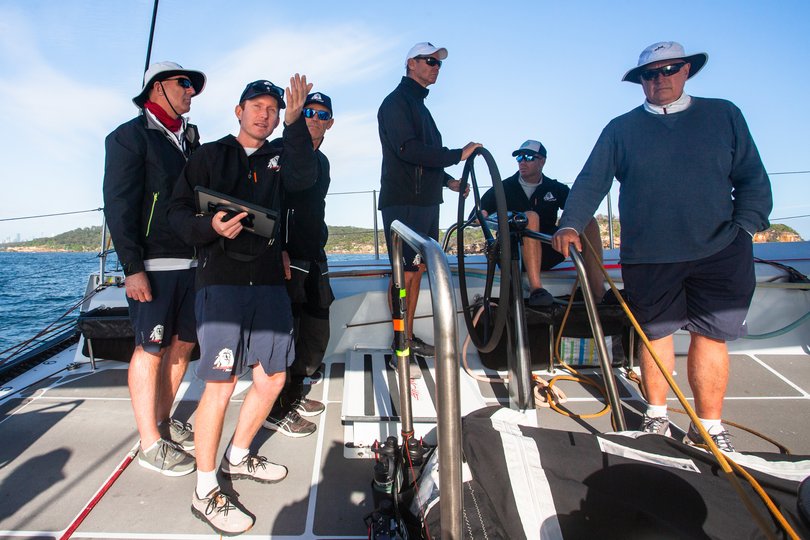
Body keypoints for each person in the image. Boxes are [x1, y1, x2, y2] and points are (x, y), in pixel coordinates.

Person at [552, 42, 772, 453]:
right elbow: (591, 181)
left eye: (669, 69)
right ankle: (656, 416)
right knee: (655, 336)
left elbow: (752, 177)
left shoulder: (724, 115)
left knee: (712, 336)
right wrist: (568, 223)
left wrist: (745, 226)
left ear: (686, 70)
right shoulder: (621, 129)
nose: (660, 79)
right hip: (650, 255)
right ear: (640, 82)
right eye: (650, 74)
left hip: (721, 249)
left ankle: (709, 426)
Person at [167, 75, 316, 535]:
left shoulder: (282, 156)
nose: (264, 113)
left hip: (270, 282)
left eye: (273, 108)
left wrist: (295, 125)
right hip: (222, 284)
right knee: (220, 383)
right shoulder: (209, 155)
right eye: (256, 105)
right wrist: (209, 225)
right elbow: (175, 213)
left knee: (271, 378)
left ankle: (238, 455)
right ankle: (205, 489)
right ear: (238, 110)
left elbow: (305, 179)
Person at [103, 61, 206, 476]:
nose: (190, 91)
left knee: (181, 346)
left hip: (193, 260)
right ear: (156, 88)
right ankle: (149, 442)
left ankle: (163, 423)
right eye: (184, 83)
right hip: (153, 262)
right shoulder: (129, 138)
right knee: (150, 348)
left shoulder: (190, 140)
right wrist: (132, 267)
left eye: (192, 86)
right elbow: (120, 205)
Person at [378, 41, 481, 360]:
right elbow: (407, 150)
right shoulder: (396, 103)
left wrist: (448, 182)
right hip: (404, 201)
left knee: (418, 270)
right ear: (411, 63)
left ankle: (406, 336)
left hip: (424, 200)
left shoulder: (419, 106)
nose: (436, 67)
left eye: (439, 64)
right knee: (405, 273)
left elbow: (423, 161)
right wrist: (455, 156)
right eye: (430, 61)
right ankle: (399, 341)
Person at [264, 92, 335, 438]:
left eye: (322, 114)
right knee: (286, 333)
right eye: (308, 111)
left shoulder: (323, 162)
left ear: (330, 123)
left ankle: (294, 391)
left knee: (316, 328)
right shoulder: (279, 150)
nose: (314, 118)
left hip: (314, 254)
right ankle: (277, 408)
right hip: (287, 256)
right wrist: (278, 249)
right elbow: (269, 203)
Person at [480, 140, 605, 307]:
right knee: (531, 217)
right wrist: (481, 214)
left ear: (542, 161)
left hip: (548, 250)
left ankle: (598, 292)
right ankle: (536, 289)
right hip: (512, 254)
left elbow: (578, 209)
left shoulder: (555, 188)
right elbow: (480, 213)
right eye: (519, 158)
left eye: (529, 157)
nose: (522, 162)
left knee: (587, 221)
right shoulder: (502, 188)